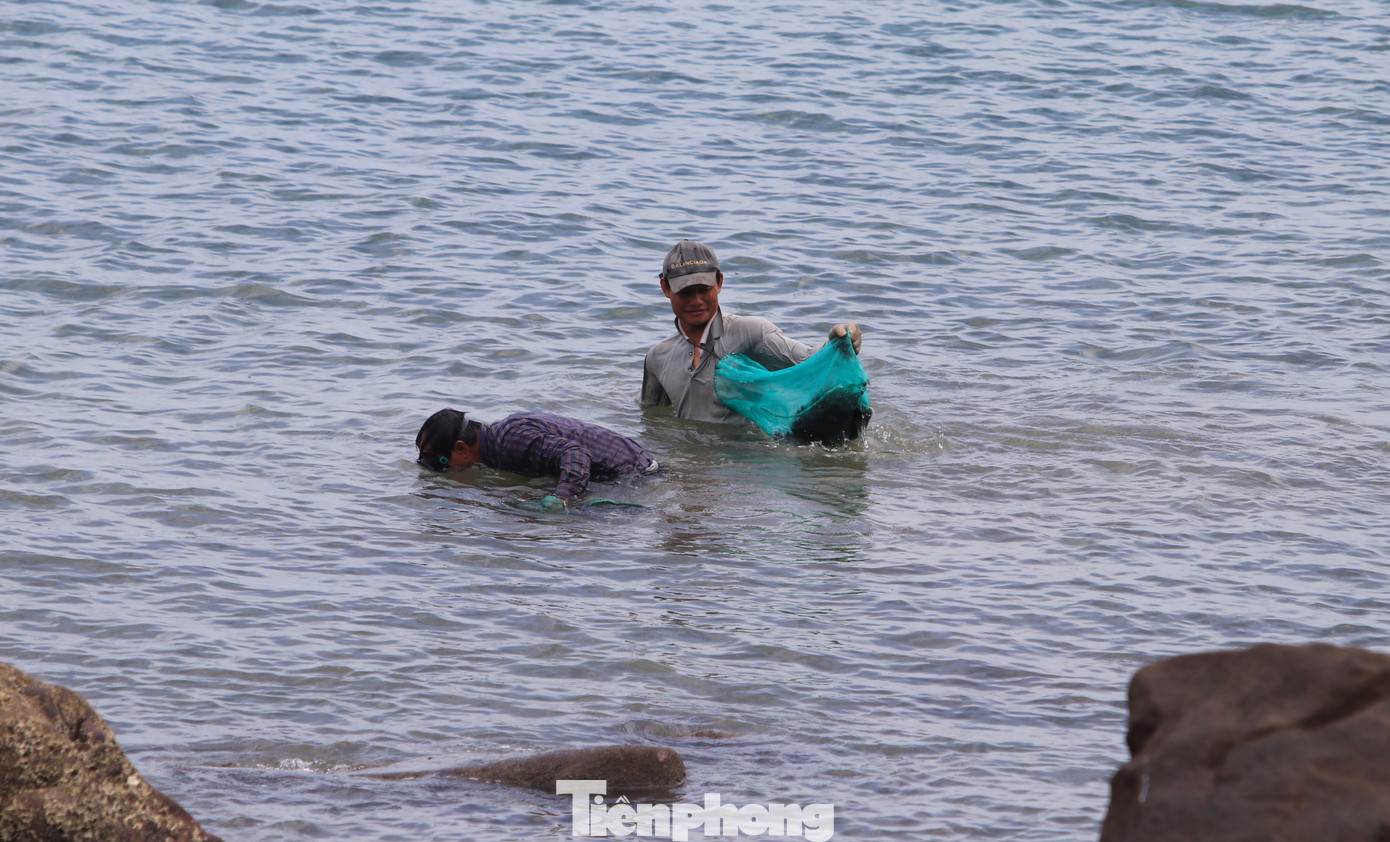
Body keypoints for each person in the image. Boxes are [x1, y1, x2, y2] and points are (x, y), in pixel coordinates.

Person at [640, 239, 863, 424]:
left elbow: (807, 360)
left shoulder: (750, 332)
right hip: (690, 467)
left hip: (743, 471)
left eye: (704, 289)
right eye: (686, 292)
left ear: (719, 282)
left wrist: (838, 342)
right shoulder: (657, 357)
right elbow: (652, 419)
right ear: (665, 288)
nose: (696, 301)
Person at [415, 408, 658, 512]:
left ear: (461, 448)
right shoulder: (497, 444)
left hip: (636, 476)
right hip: (636, 468)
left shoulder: (510, 440)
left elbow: (575, 454)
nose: (445, 471)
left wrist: (563, 498)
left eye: (442, 464)